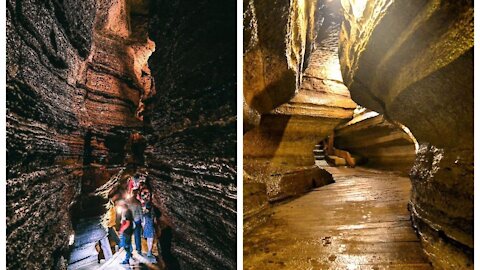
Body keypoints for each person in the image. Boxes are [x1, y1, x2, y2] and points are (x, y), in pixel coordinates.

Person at [118, 200, 134, 265]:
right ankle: (130, 253)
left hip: (127, 231)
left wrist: (121, 230)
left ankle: (127, 259)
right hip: (127, 231)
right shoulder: (127, 212)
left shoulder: (127, 213)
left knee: (126, 245)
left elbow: (127, 223)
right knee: (128, 244)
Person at [128, 189, 144, 254]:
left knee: (129, 235)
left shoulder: (128, 201)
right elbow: (140, 212)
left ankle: (130, 249)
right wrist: (142, 221)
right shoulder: (138, 202)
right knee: (137, 235)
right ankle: (138, 249)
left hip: (130, 220)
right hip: (137, 220)